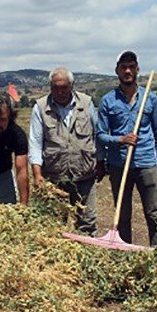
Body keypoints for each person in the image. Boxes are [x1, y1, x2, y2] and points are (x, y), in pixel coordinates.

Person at [97, 51, 157, 246]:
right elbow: (101, 135)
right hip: (119, 165)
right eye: (123, 67)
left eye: (131, 66)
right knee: (122, 215)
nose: (127, 71)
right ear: (117, 70)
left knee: (153, 214)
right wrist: (120, 139)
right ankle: (125, 253)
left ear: (137, 69)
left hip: (147, 164)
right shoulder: (107, 101)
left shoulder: (150, 99)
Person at [29, 67, 105, 235]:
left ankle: (87, 255)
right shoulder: (41, 107)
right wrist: (37, 174)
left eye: (64, 87)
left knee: (87, 221)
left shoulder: (86, 103)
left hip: (85, 174)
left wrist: (100, 161)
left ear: (71, 86)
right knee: (55, 222)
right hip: (55, 176)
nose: (60, 91)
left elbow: (97, 135)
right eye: (55, 87)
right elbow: (35, 142)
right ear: (50, 87)